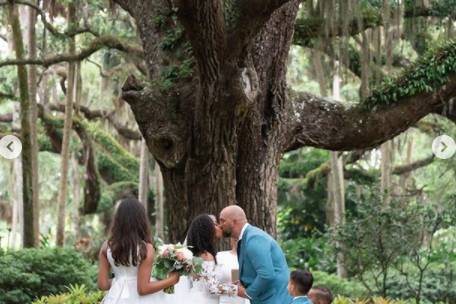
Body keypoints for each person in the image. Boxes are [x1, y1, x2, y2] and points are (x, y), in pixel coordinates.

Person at [97, 197, 179, 304]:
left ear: (118, 220)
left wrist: (120, 281)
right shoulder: (146, 249)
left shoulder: (106, 246)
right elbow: (142, 289)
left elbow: (102, 285)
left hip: (115, 298)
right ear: (141, 220)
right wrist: (172, 280)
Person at [219, 205, 293, 304]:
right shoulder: (247, 238)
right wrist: (244, 281)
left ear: (234, 221)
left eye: (222, 221)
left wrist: (248, 293)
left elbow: (266, 274)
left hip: (273, 299)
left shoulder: (254, 238)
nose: (220, 225)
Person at [175, 214, 239, 303]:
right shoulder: (206, 256)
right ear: (207, 230)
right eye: (215, 225)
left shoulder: (197, 255)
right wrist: (237, 289)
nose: (219, 227)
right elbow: (212, 288)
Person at [216, 237, 251, 304]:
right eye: (235, 237)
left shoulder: (252, 260)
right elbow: (211, 286)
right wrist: (232, 288)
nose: (237, 239)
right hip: (225, 301)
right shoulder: (220, 256)